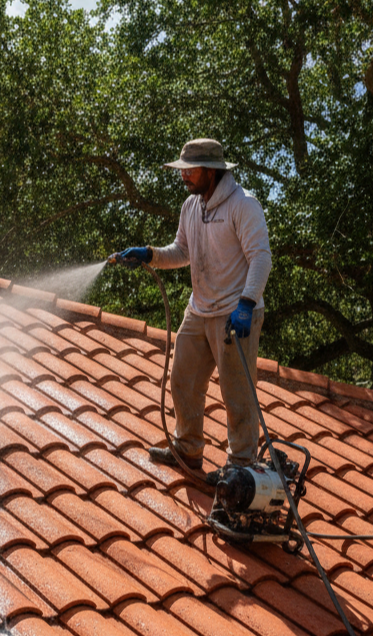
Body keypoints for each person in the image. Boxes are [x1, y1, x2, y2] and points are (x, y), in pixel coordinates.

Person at [115, 138, 271, 471]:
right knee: (182, 379)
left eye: (190, 171)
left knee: (237, 394)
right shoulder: (191, 206)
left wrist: (247, 303)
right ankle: (188, 448)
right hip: (199, 309)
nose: (183, 177)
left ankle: (241, 467)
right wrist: (151, 255)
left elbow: (261, 257)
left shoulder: (243, 205)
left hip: (235, 313)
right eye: (182, 170)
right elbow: (183, 252)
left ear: (211, 171)